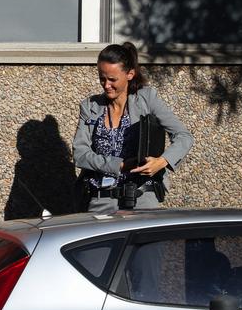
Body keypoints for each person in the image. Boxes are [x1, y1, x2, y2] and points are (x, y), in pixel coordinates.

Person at [73, 42, 193, 214]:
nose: (106, 85)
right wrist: (119, 165)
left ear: (129, 74)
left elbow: (183, 136)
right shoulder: (90, 106)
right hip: (101, 200)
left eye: (112, 79)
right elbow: (80, 154)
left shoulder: (146, 99)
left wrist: (161, 162)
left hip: (142, 197)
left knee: (147, 242)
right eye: (102, 78)